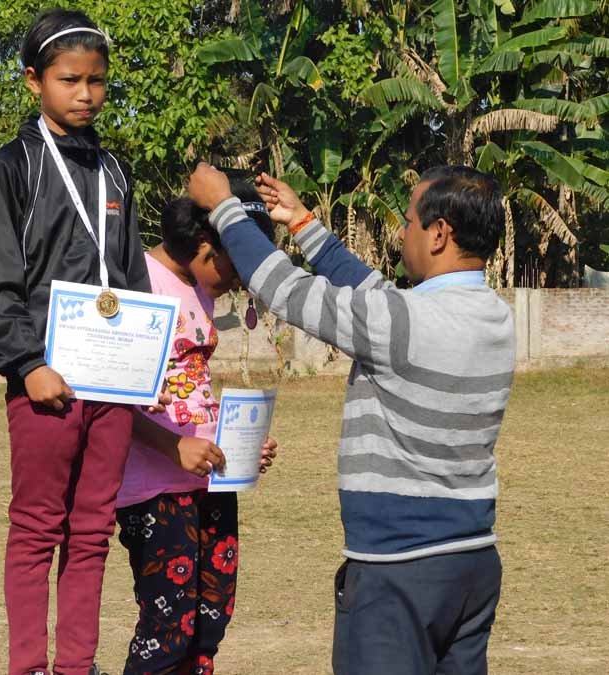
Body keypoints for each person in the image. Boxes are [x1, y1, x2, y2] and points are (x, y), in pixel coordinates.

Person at [187, 162, 514, 675]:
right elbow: (376, 297)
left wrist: (225, 208)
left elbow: (287, 291)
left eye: (409, 222)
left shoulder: (400, 321)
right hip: (471, 561)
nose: (401, 234)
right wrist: (302, 223)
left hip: (399, 568)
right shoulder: (493, 316)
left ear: (439, 234)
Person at [0, 9, 150, 675]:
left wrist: (144, 362)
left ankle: (76, 665)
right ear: (33, 81)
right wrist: (26, 363)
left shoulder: (116, 172)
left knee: (93, 531)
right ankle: (27, 666)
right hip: (44, 382)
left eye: (96, 81)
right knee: (37, 529)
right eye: (69, 80)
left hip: (112, 385)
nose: (85, 94)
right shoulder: (11, 169)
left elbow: (131, 278)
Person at [115, 185, 279, 675]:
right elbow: (111, 399)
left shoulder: (201, 288)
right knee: (168, 626)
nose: (238, 279)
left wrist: (240, 445)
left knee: (211, 615)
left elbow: (192, 386)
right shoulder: (136, 280)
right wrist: (173, 447)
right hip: (153, 487)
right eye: (235, 266)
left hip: (208, 481)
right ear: (206, 248)